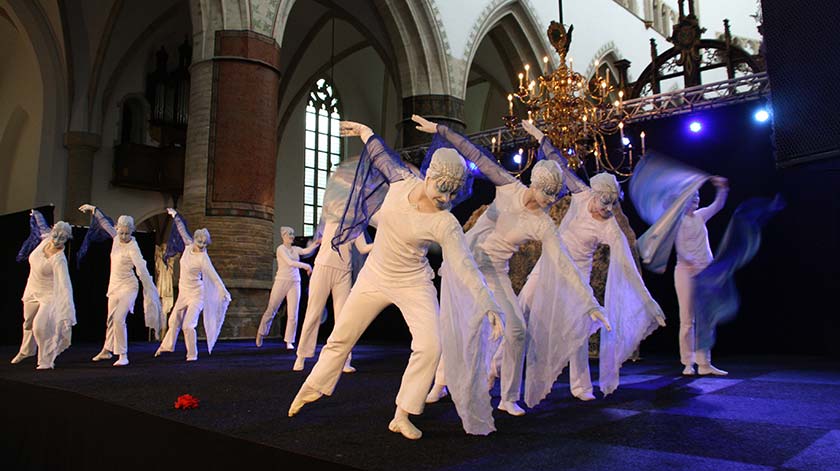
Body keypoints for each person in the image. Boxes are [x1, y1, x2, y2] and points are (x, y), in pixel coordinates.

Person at [288, 120, 503, 440]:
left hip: (414, 281)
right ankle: (310, 389)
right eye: (441, 188)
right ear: (428, 176)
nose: (445, 197)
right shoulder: (401, 181)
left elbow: (465, 266)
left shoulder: (445, 223)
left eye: (452, 193)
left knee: (431, 345)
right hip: (374, 275)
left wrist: (488, 302)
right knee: (340, 337)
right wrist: (365, 132)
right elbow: (380, 155)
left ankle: (402, 414)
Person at [413, 116, 608, 417]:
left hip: (495, 272)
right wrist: (442, 130)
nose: (549, 201)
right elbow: (476, 154)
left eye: (554, 195)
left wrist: (590, 302)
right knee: (462, 325)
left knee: (517, 330)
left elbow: (564, 263)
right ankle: (441, 383)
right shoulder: (508, 186)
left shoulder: (542, 223)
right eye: (547, 193)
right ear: (535, 184)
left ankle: (507, 398)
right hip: (466, 261)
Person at [518, 120, 666, 402]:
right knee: (522, 305)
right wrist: (538, 134)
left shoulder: (610, 227)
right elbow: (558, 162)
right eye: (604, 202)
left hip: (578, 276)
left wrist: (648, 302)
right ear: (595, 195)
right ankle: (495, 364)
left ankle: (581, 387)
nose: (607, 209)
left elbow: (627, 266)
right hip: (550, 264)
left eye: (612, 203)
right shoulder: (581, 194)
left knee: (578, 330)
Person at [294, 161, 374, 371]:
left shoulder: (356, 225)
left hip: (343, 273)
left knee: (343, 318)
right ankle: (302, 356)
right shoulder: (331, 213)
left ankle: (344, 360)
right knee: (313, 313)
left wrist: (384, 241)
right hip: (323, 267)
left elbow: (363, 248)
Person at [77, 204, 163, 366]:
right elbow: (105, 223)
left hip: (129, 287)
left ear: (132, 232)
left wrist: (149, 288)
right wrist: (93, 209)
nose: (123, 236)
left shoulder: (133, 248)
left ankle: (123, 354)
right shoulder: (116, 238)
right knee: (110, 319)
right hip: (114, 287)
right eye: (121, 232)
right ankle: (106, 350)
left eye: (126, 233)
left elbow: (142, 269)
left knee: (118, 319)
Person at [156, 208, 231, 361]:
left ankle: (192, 354)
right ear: (195, 239)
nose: (201, 245)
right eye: (199, 242)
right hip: (184, 292)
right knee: (173, 320)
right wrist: (175, 215)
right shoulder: (188, 245)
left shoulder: (203, 259)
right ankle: (167, 346)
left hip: (197, 295)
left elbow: (214, 277)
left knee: (188, 325)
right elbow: (182, 229)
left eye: (204, 243)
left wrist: (223, 291)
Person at [674, 177, 729, 376]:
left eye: (697, 196)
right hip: (686, 273)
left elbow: (718, 205)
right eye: (692, 196)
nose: (696, 199)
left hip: (705, 272)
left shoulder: (700, 216)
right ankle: (688, 363)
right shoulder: (678, 221)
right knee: (687, 319)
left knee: (706, 318)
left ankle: (704, 363)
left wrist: (722, 189)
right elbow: (680, 247)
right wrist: (690, 261)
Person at [11, 210, 76, 370]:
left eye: (62, 238)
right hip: (32, 289)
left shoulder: (59, 260)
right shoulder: (46, 238)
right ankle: (26, 351)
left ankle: (46, 360)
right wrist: (36, 213)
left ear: (67, 239)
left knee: (40, 326)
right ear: (52, 232)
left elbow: (65, 285)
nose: (57, 240)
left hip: (49, 295)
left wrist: (67, 309)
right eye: (55, 236)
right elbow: (41, 225)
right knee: (28, 323)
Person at [256, 226, 319, 350]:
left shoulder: (295, 249)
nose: (292, 236)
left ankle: (289, 340)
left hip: (295, 282)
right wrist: (306, 266)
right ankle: (261, 333)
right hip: (281, 281)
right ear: (283, 236)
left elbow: (306, 251)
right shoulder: (281, 249)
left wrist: (317, 242)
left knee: (293, 313)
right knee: (272, 309)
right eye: (289, 234)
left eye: (292, 234)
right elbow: (290, 263)